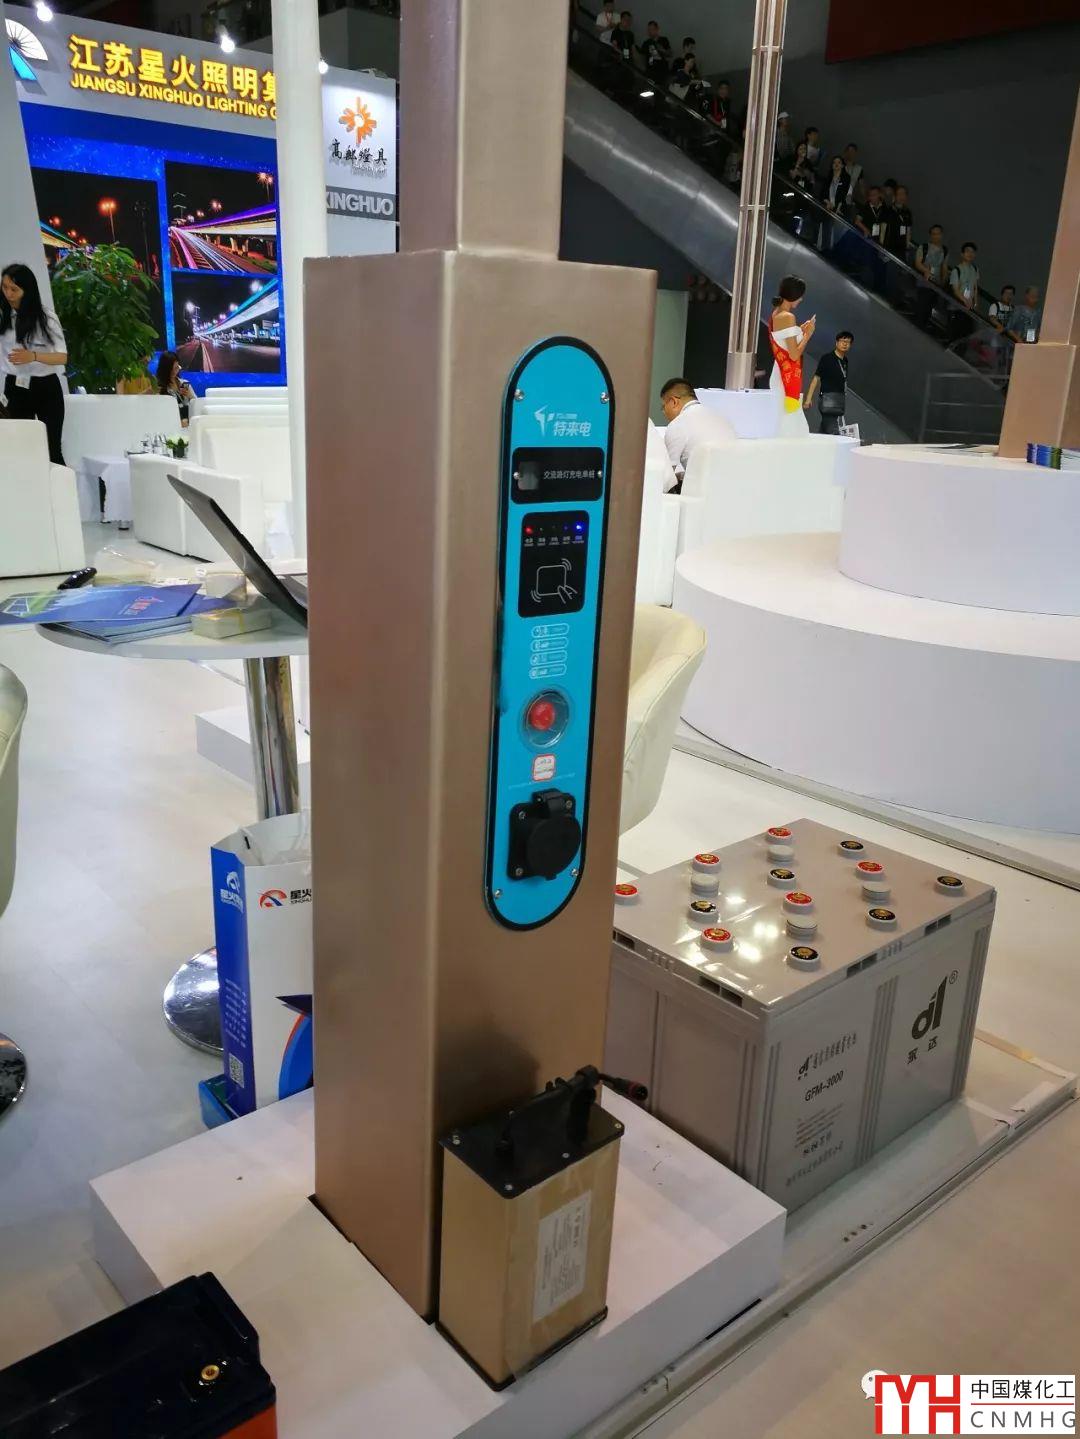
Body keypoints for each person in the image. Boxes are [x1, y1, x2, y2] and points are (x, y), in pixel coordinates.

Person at [0, 262, 68, 464]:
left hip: (45, 386)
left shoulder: (46, 318)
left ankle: (61, 484)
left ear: (27, 290)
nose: (8, 294)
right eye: (4, 287)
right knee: (20, 450)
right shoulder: (3, 317)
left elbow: (62, 357)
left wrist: (34, 356)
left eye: (14, 289)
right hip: (15, 387)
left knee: (52, 449)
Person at [659, 378, 736, 490]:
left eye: (663, 406)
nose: (664, 412)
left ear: (674, 402)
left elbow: (665, 480)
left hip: (704, 494)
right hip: (733, 488)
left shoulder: (678, 424)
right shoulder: (723, 419)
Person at [768, 276, 815, 436]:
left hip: (780, 371)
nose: (801, 299)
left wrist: (800, 331)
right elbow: (794, 355)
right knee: (791, 422)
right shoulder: (788, 317)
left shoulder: (776, 313)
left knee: (788, 420)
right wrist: (807, 335)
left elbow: (784, 342)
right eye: (800, 296)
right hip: (785, 377)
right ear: (794, 295)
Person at [805, 330, 853, 434]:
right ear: (836, 342)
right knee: (833, 431)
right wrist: (808, 399)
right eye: (843, 341)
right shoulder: (827, 358)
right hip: (827, 398)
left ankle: (819, 441)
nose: (845, 344)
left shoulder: (845, 361)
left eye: (848, 342)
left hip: (839, 398)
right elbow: (816, 378)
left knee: (825, 428)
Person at [913, 224, 949, 330]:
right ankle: (918, 327)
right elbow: (918, 263)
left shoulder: (944, 250)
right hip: (923, 282)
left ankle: (923, 327)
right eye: (933, 234)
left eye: (938, 234)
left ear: (941, 235)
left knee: (929, 308)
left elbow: (944, 267)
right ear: (930, 235)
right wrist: (925, 270)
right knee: (922, 307)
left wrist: (943, 281)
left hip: (936, 284)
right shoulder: (924, 247)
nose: (936, 236)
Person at [948, 241, 980, 342]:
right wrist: (965, 301)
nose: (970, 254)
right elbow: (955, 290)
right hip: (957, 307)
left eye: (972, 252)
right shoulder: (956, 270)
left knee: (966, 334)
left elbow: (975, 287)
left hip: (969, 309)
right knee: (955, 334)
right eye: (967, 251)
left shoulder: (975, 269)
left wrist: (975, 303)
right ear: (962, 254)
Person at [156, 351, 195, 425]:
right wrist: (178, 423)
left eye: (176, 368)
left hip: (189, 424)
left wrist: (190, 396)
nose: (174, 372)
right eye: (171, 369)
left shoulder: (184, 383)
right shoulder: (159, 388)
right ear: (164, 369)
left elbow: (197, 404)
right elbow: (160, 413)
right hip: (172, 426)